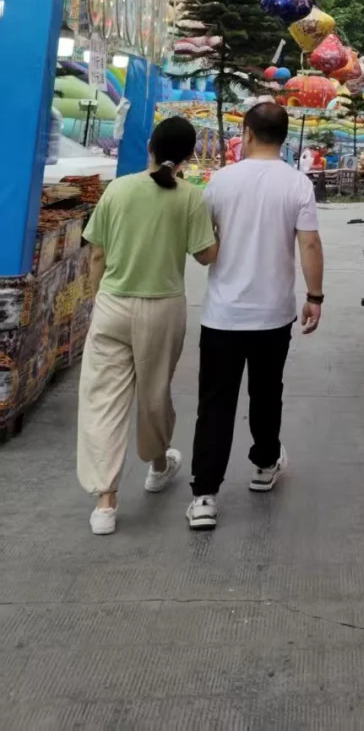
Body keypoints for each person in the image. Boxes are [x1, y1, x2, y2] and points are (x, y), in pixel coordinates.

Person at [186, 102, 324, 532]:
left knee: (215, 402)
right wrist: (315, 296)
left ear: (246, 133)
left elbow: (204, 246)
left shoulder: (220, 182)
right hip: (273, 314)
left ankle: (204, 496)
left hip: (222, 315)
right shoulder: (297, 183)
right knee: (267, 392)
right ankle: (264, 465)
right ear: (284, 137)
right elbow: (310, 244)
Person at [77, 116, 217, 536]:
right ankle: (157, 466)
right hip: (163, 309)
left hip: (113, 304)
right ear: (189, 156)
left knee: (103, 398)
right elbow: (206, 255)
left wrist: (97, 298)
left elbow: (96, 254)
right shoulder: (190, 197)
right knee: (154, 393)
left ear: (150, 146)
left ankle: (105, 502)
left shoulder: (118, 189)